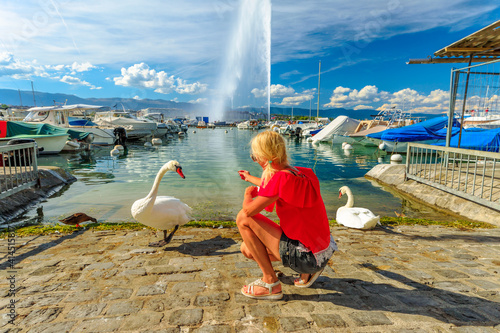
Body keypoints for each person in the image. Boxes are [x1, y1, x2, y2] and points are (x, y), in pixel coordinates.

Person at [236, 131, 337, 300]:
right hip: (321, 250)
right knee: (247, 249)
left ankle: (270, 283)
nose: (256, 160)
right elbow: (274, 185)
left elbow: (249, 211)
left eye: (255, 157)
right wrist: (249, 178)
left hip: (307, 257)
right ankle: (306, 272)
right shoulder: (303, 173)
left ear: (265, 156)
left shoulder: (280, 180)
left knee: (243, 219)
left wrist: (248, 195)